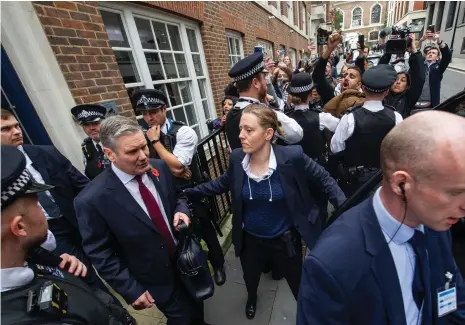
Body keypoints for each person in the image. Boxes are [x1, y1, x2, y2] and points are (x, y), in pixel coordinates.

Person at [297, 111, 465, 325]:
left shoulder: (437, 222)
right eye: (454, 192)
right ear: (401, 184)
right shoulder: (333, 264)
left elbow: (455, 299)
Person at [184, 104, 346, 320]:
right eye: (241, 128)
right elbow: (220, 184)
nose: (240, 135)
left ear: (268, 133)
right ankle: (252, 298)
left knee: (299, 284)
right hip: (251, 239)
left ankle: (309, 314)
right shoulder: (237, 160)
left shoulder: (292, 156)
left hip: (285, 239)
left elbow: (325, 180)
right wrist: (186, 193)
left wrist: (346, 210)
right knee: (250, 277)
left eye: (248, 130)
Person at [74, 116, 209, 325]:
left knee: (197, 303)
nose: (143, 156)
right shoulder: (91, 200)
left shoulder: (160, 168)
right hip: (153, 276)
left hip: (185, 260)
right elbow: (101, 253)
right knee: (181, 317)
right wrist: (130, 288)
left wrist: (181, 211)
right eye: (131, 152)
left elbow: (178, 196)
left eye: (144, 147)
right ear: (110, 154)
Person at [1, 145, 134, 325]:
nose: (41, 211)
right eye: (36, 205)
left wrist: (59, 273)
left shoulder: (35, 262)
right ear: (19, 227)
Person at [0, 108, 110, 295]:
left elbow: (82, 185)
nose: (17, 131)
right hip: (48, 232)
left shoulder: (46, 153)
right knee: (84, 275)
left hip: (77, 219)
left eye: (17, 126)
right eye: (6, 129)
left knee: (108, 260)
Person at [132, 88, 226, 286]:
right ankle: (193, 271)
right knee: (180, 237)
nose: (149, 118)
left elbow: (177, 167)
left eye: (154, 111)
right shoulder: (140, 135)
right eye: (144, 113)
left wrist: (155, 142)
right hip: (165, 195)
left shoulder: (183, 131)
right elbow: (147, 167)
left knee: (206, 232)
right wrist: (172, 168)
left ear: (164, 109)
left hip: (191, 192)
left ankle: (218, 264)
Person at [330, 64, 403, 197]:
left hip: (355, 185)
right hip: (385, 181)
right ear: (386, 92)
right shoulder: (396, 117)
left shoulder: (349, 118)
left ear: (363, 88)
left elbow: (335, 148)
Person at [225, 52, 303, 150]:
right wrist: (270, 110)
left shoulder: (231, 113)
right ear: (256, 83)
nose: (266, 83)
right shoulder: (263, 113)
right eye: (264, 78)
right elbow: (297, 134)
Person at [287, 72, 340, 164]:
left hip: (293, 171)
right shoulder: (322, 117)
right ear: (311, 94)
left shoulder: (285, 120)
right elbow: (343, 129)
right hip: (318, 170)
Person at [379, 33, 425, 118]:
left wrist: (414, 50)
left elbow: (419, 78)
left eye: (403, 80)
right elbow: (379, 73)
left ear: (407, 86)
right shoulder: (382, 94)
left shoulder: (408, 99)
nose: (398, 82)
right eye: (396, 79)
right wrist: (388, 52)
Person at [313, 33, 365, 106]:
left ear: (359, 85)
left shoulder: (364, 101)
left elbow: (361, 71)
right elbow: (318, 77)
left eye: (351, 76)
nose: (346, 78)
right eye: (345, 75)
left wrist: (361, 54)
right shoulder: (332, 96)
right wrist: (329, 49)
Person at [414, 30, 452, 113]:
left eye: (434, 53)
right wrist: (421, 40)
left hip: (429, 107)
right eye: (429, 52)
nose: (430, 54)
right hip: (413, 105)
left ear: (438, 57)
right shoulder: (420, 65)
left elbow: (447, 56)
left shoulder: (438, 68)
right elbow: (414, 54)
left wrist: (439, 41)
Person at [71, 104, 111, 180]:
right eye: (86, 125)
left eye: (95, 123)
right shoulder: (86, 147)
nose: (91, 128)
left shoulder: (116, 141)